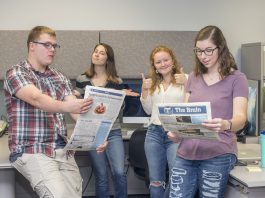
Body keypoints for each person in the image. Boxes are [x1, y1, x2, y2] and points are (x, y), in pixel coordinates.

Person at [3, 26, 95, 198]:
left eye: (54, 46)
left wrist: (95, 135)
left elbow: (74, 108)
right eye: (47, 45)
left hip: (61, 148)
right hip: (32, 149)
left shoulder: (59, 77)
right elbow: (37, 99)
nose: (52, 49)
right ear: (32, 46)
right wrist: (69, 106)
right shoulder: (16, 73)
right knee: (58, 195)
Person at [168, 25, 248, 198]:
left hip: (217, 153)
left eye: (208, 50)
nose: (203, 56)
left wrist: (226, 124)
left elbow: (241, 118)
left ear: (221, 48)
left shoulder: (237, 79)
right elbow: (185, 116)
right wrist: (177, 133)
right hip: (186, 153)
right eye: (198, 51)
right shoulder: (193, 77)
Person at [75, 43, 138, 198]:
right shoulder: (82, 79)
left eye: (102, 53)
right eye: (95, 51)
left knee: (118, 172)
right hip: (92, 131)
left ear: (108, 59)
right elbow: (78, 105)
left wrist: (120, 96)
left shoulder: (116, 81)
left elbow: (119, 109)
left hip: (113, 131)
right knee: (101, 174)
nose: (97, 55)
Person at [140, 45, 187, 198]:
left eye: (165, 60)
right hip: (154, 133)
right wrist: (144, 91)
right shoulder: (152, 83)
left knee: (176, 177)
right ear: (154, 65)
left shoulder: (184, 79)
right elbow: (148, 110)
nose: (163, 64)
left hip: (175, 133)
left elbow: (192, 105)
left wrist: (187, 83)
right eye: (158, 62)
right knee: (155, 181)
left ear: (172, 60)